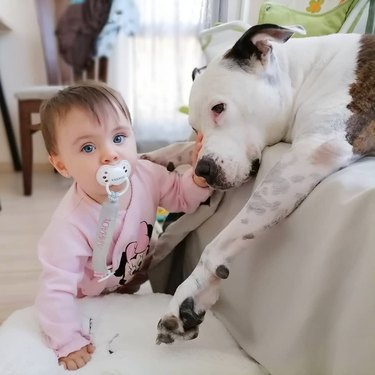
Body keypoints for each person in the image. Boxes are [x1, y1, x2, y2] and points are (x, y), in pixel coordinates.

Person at [35, 81, 211, 371]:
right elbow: (55, 291)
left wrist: (198, 180)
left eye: (119, 138)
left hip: (128, 281)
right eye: (88, 147)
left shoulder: (147, 175)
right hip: (85, 293)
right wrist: (68, 341)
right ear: (62, 166)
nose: (110, 154)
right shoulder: (68, 226)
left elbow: (180, 196)